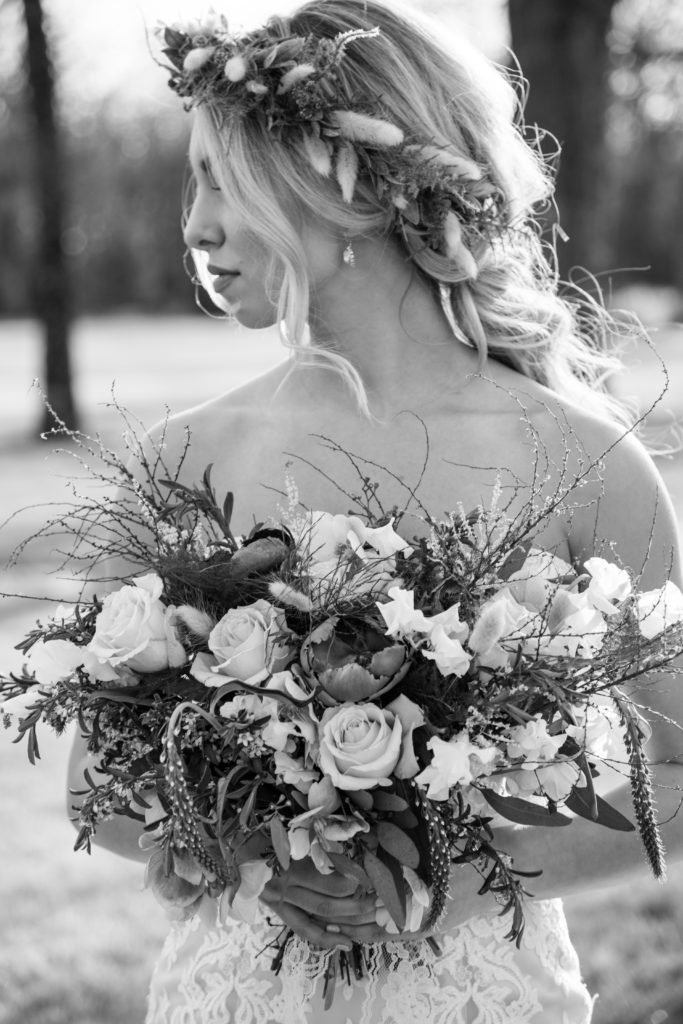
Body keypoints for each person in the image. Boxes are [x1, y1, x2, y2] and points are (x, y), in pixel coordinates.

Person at [67, 1, 683, 1020]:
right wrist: (247, 845)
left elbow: (681, 765)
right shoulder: (181, 459)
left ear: (336, 182)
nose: (195, 225)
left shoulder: (581, 458)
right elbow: (98, 782)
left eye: (220, 177)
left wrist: (444, 883)